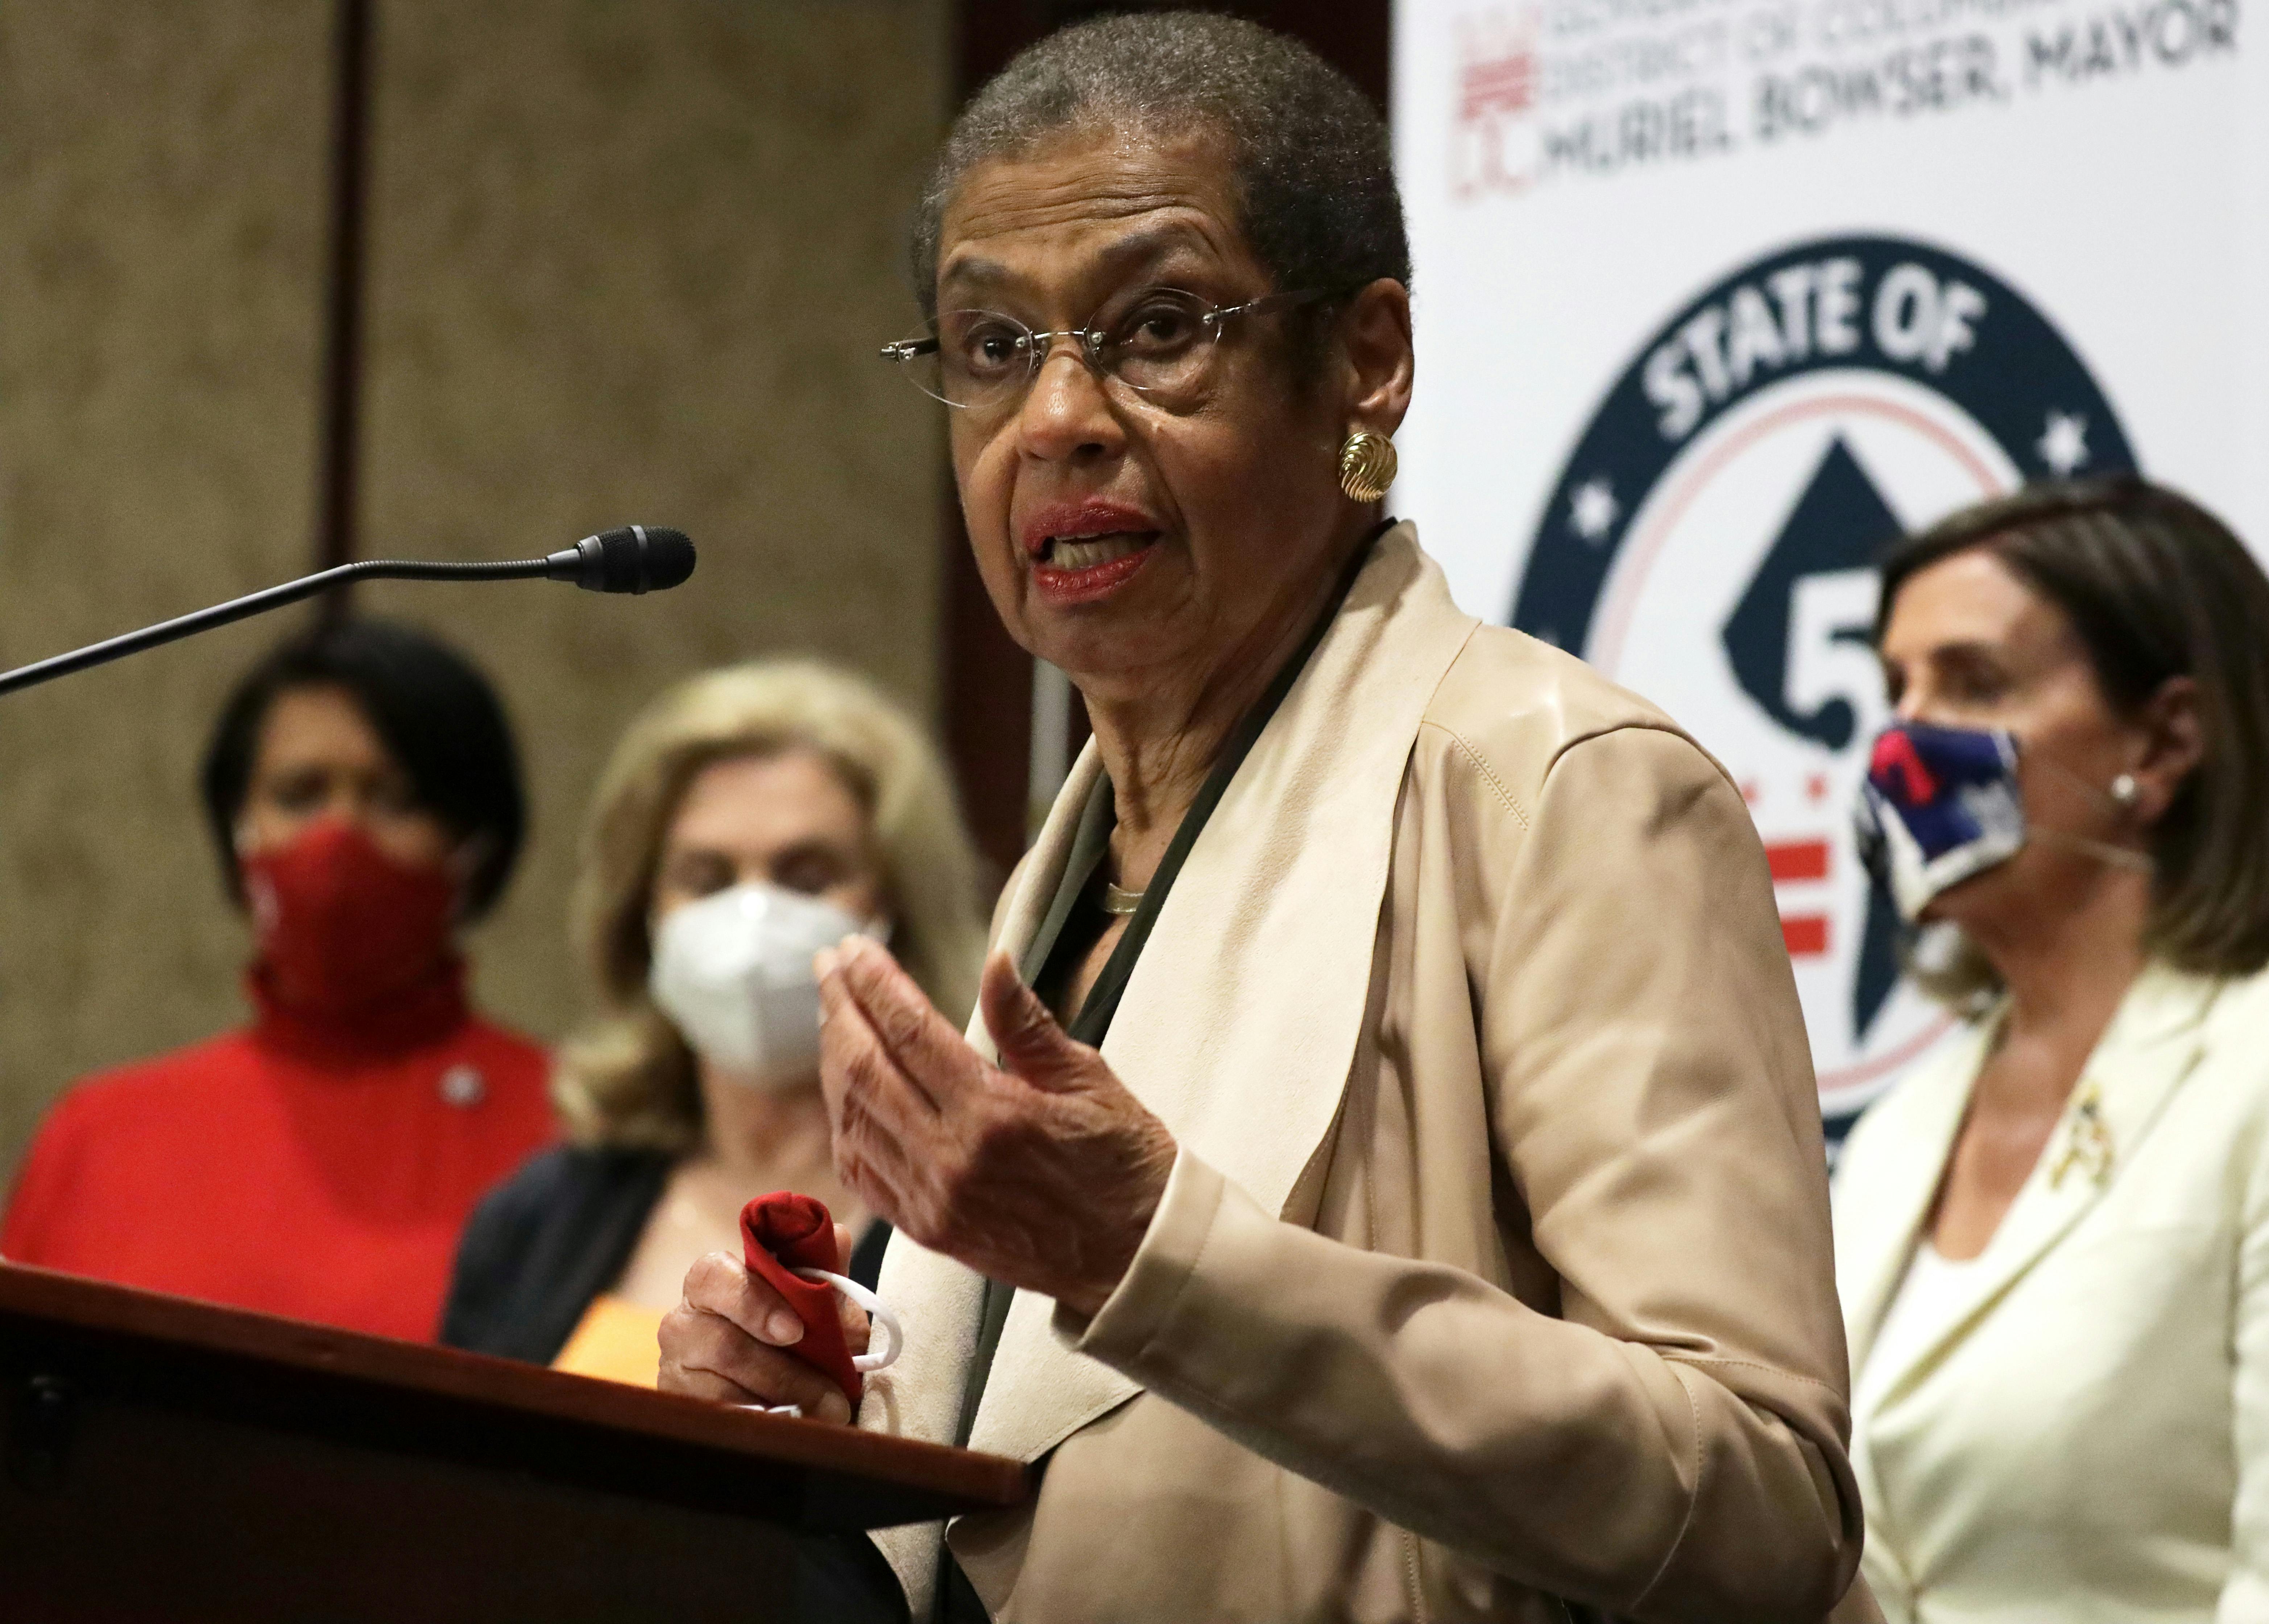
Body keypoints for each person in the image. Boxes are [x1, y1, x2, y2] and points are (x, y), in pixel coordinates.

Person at [657, 17, 1872, 1624]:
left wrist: (1152, 1254)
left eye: (1158, 328)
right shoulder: (1071, 862)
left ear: (1367, 360)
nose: (1058, 421)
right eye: (994, 345)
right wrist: (842, 1435)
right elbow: (1088, 1481)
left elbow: (1763, 1502)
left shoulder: (1560, 788)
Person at [1835, 476, 2269, 1620]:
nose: (1901, 747)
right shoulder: (1898, 1133)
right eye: (1895, 688)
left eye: (1971, 684)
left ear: (2162, 743)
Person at [1, 617, 552, 1342]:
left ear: (474, 845)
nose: (339, 837)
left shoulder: (574, 1137)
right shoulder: (97, 1137)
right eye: (299, 793)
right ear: (237, 833)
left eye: (396, 798)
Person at [440, 659, 987, 1388]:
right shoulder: (536, 1219)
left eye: (807, 875)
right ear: (646, 919)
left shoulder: (980, 1222)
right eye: (706, 877)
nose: (752, 915)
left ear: (897, 910)